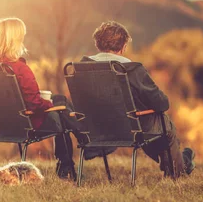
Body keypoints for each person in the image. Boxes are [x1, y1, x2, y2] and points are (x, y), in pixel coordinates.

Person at [81, 21, 195, 178]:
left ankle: (181, 163)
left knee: (152, 127)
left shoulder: (83, 67)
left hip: (97, 129)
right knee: (164, 123)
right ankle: (179, 169)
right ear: (123, 47)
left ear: (98, 44)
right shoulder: (131, 69)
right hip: (131, 128)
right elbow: (161, 103)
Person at [0, 17, 80, 180]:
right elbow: (34, 103)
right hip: (27, 123)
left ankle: (78, 145)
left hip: (0, 125)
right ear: (16, 40)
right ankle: (71, 160)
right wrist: (48, 103)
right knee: (61, 112)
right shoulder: (20, 68)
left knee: (60, 100)